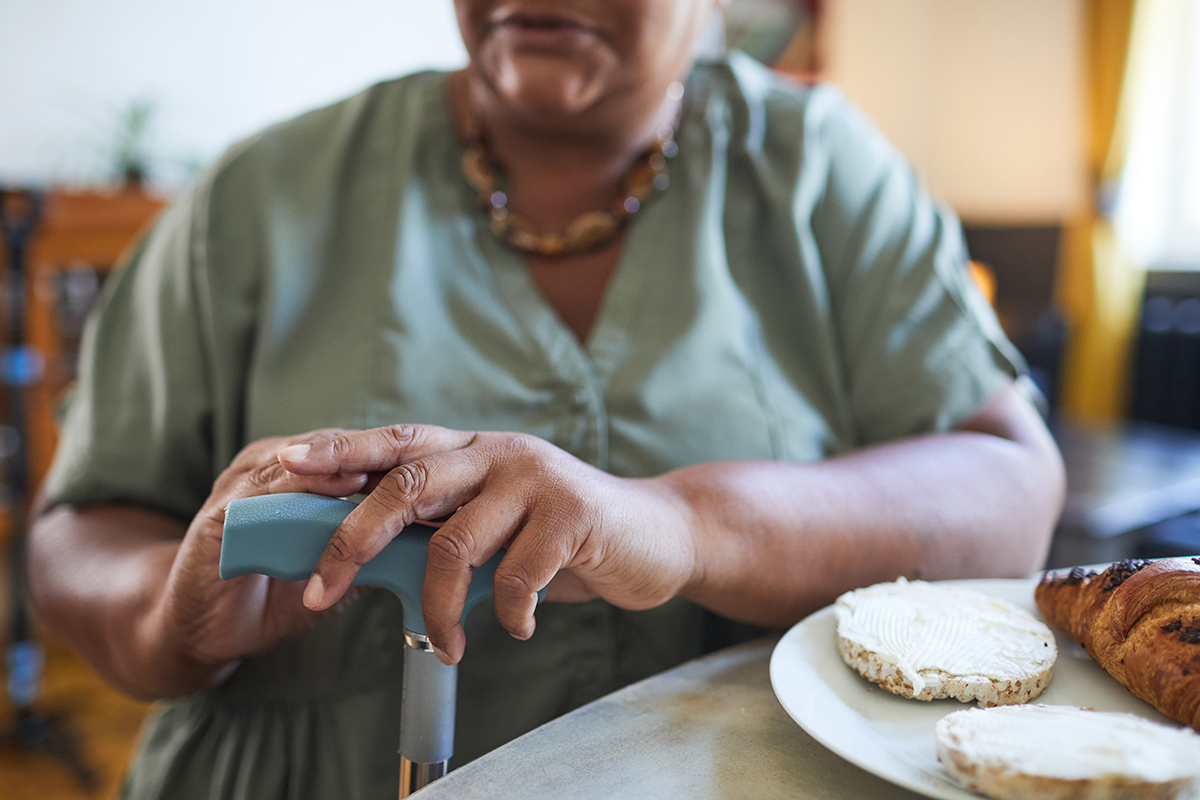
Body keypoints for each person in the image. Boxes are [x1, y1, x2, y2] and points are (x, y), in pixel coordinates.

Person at [28, 1, 1065, 798]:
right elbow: (77, 529)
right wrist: (171, 616)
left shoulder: (819, 173)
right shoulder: (258, 197)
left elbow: (1008, 490)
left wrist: (676, 521)